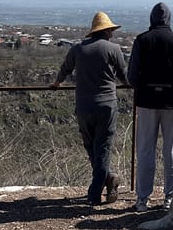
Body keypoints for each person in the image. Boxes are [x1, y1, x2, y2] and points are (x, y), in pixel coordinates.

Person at [51, 11, 128, 207]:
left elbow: (65, 69)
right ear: (107, 31)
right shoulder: (114, 49)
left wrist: (57, 83)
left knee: (91, 147)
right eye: (111, 30)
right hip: (106, 105)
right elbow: (124, 76)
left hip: (84, 106)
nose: (112, 33)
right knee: (103, 148)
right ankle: (95, 193)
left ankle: (108, 178)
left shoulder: (78, 49)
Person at [127, 2, 173, 212]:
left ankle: (142, 199)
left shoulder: (141, 40)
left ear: (152, 18)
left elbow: (131, 75)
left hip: (146, 102)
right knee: (172, 150)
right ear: (169, 18)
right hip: (172, 103)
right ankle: (169, 198)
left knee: (145, 150)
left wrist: (146, 87)